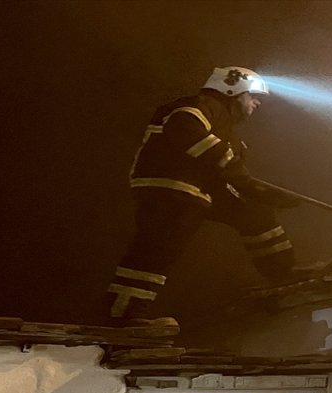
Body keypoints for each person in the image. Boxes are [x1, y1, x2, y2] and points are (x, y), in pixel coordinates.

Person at [103, 66, 301, 329]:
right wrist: (244, 180)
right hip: (172, 188)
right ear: (233, 89)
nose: (257, 103)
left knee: (254, 212)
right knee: (156, 250)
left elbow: (224, 170)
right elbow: (185, 128)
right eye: (253, 96)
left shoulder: (224, 125)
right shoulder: (203, 105)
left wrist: (257, 192)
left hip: (197, 189)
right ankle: (122, 316)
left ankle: (284, 273)